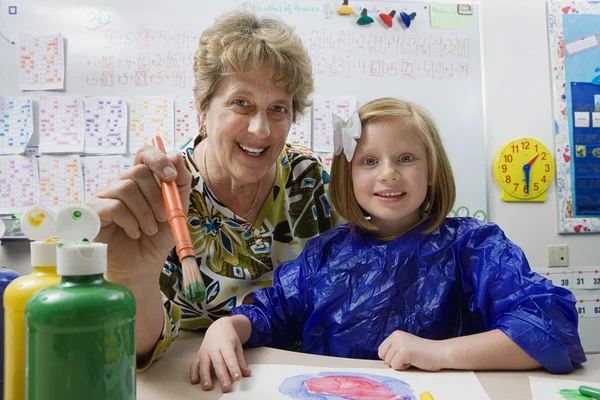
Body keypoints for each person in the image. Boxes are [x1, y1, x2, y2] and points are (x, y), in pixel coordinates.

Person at [192, 97, 587, 392]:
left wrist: (437, 354)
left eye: (405, 158)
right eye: (368, 162)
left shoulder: (474, 247)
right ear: (347, 176)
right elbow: (274, 313)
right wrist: (228, 326)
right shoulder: (325, 255)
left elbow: (551, 329)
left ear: (432, 171)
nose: (388, 175)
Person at [87, 10, 339, 370]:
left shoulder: (307, 177)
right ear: (203, 107)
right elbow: (137, 349)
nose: (261, 130)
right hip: (190, 374)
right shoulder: (168, 194)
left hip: (294, 371)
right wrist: (132, 278)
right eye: (241, 103)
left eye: (278, 109)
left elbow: (344, 282)